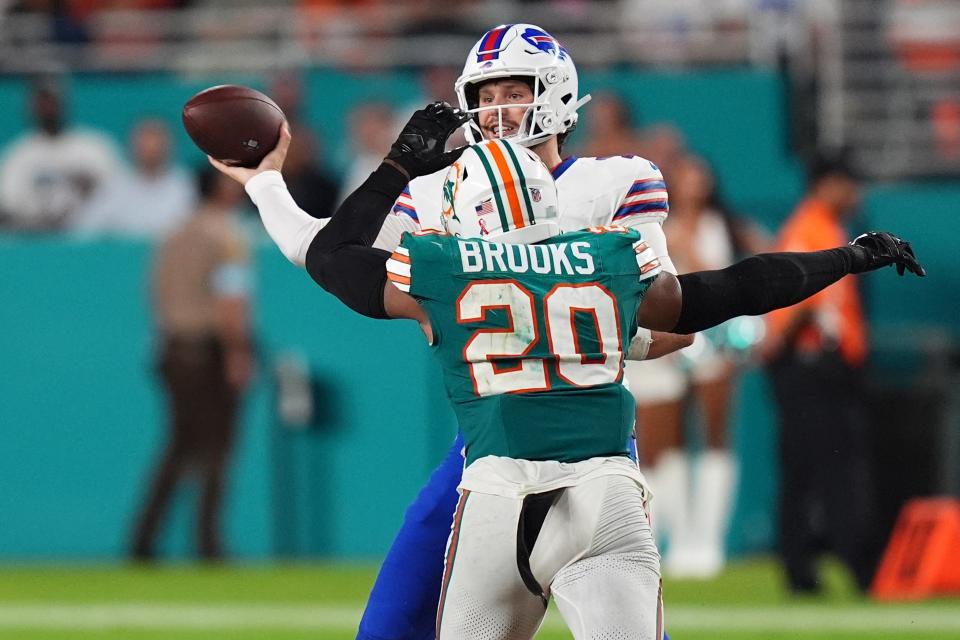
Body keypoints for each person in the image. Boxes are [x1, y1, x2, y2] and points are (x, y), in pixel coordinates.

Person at [211, 99, 923, 638]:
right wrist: (846, 258)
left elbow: (332, 256)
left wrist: (385, 167)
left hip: (493, 495)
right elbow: (729, 290)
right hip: (604, 495)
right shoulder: (606, 260)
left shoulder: (445, 270)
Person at [763, 154, 882, 593]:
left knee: (802, 473)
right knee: (836, 472)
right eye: (849, 184)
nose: (855, 195)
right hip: (815, 369)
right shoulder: (812, 230)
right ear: (827, 184)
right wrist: (780, 347)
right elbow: (803, 303)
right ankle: (858, 569)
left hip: (807, 368)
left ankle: (800, 573)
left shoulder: (817, 226)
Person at [131, 167, 255, 561]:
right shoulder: (228, 236)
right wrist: (238, 352)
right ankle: (208, 543)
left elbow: (153, 292)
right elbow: (231, 302)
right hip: (209, 352)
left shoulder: (172, 235)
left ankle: (144, 538)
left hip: (170, 348)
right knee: (217, 450)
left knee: (179, 446)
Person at [0, 77, 122, 231]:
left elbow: (120, 197)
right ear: (31, 107)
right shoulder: (17, 155)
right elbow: (8, 207)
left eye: (52, 102)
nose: (48, 109)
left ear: (64, 104)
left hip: (89, 242)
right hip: (37, 243)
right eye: (42, 103)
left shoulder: (95, 147)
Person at [71, 118, 197, 238]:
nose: (151, 147)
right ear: (133, 143)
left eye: (157, 140)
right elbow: (86, 230)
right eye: (145, 140)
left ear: (169, 144)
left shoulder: (185, 184)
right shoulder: (114, 185)